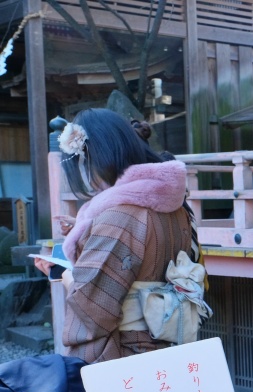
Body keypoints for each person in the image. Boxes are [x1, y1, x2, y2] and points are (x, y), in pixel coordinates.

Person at [34, 108, 205, 363]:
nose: (84, 173)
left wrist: (66, 275)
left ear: (94, 157)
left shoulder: (119, 216)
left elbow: (95, 307)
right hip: (170, 345)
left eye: (83, 162)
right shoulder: (176, 206)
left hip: (127, 352)